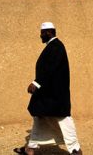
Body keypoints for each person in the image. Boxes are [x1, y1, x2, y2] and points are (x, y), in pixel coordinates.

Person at [14, 22, 82, 155]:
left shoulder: (56, 46)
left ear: (48, 32)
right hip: (48, 93)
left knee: (64, 119)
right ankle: (30, 148)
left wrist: (36, 82)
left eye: (42, 33)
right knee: (39, 117)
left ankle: (75, 150)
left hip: (55, 95)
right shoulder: (52, 46)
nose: (40, 36)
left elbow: (50, 67)